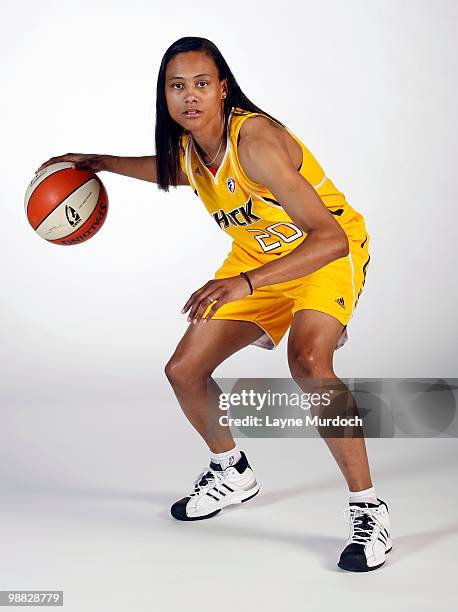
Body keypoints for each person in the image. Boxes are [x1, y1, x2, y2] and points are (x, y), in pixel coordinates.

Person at [36, 36, 391, 572]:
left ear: (223, 88)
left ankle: (369, 510)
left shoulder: (256, 143)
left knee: (310, 362)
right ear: (166, 95)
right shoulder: (192, 147)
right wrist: (102, 163)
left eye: (202, 83)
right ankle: (232, 471)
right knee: (184, 370)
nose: (190, 96)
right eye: (177, 86)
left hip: (322, 253)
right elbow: (176, 171)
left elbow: (330, 239)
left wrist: (246, 283)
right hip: (258, 257)